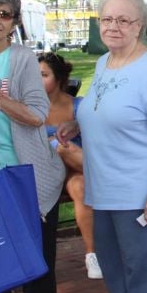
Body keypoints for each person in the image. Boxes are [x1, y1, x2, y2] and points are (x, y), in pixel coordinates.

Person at [57, 0, 147, 293]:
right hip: (103, 194)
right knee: (117, 279)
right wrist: (78, 124)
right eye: (107, 19)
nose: (114, 26)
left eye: (123, 20)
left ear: (139, 25)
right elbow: (108, 109)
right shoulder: (104, 63)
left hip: (141, 197)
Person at [0, 0, 66, 293]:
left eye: (5, 15)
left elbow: (38, 115)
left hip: (23, 176)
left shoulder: (22, 58)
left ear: (14, 22)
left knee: (37, 265)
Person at [39, 52, 99, 279]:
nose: (37, 80)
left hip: (77, 172)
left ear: (59, 79)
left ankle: (92, 256)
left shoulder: (79, 106)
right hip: (47, 173)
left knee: (81, 188)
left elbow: (100, 136)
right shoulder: (30, 109)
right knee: (62, 146)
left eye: (44, 75)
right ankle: (106, 176)